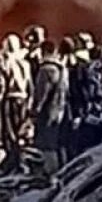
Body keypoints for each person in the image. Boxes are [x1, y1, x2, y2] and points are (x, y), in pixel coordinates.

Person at [31, 40, 69, 173]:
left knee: (45, 143)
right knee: (55, 142)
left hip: (47, 112)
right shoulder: (62, 69)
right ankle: (59, 170)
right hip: (59, 110)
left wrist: (35, 111)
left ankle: (48, 172)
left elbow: (42, 93)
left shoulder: (46, 69)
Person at [0, 34, 31, 158]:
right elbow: (29, 84)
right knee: (22, 129)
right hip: (23, 98)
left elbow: (5, 81)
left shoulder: (7, 62)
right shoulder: (25, 63)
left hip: (11, 98)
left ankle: (14, 157)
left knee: (10, 130)